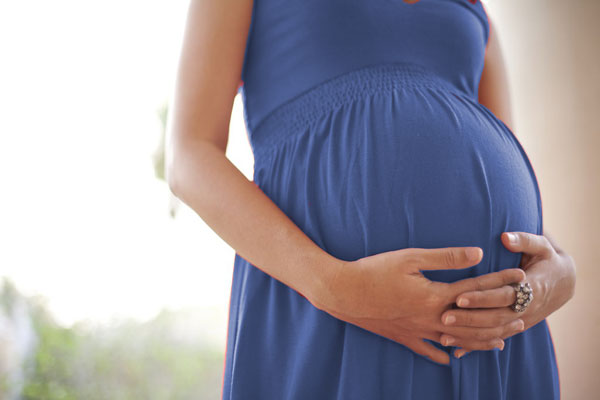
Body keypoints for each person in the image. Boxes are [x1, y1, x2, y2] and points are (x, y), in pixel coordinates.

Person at [165, 0, 577, 399]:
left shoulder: (474, 8)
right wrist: (333, 286)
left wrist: (557, 271)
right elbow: (190, 154)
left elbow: (498, 159)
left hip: (491, 334)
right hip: (325, 309)